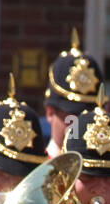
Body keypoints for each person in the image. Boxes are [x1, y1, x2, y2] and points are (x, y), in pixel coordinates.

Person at [43, 29, 103, 157]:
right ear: (50, 113)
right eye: (73, 117)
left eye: (91, 118)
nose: (84, 126)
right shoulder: (33, 171)